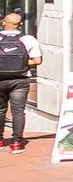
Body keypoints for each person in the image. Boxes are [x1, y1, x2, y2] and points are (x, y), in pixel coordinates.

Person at [0, 12, 43, 153]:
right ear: (20, 25)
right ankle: (16, 143)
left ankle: (0, 141)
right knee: (18, 111)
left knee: (0, 110)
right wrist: (21, 64)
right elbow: (38, 61)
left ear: (4, 23)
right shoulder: (28, 39)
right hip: (20, 79)